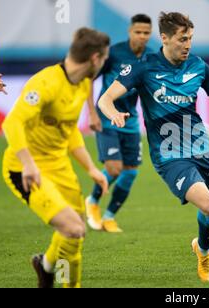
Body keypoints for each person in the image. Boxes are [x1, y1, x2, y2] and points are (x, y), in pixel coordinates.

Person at [98, 12, 209, 283]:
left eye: (190, 39)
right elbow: (105, 99)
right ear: (165, 38)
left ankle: (202, 250)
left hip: (200, 148)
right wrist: (112, 112)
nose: (187, 45)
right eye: (182, 39)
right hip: (169, 156)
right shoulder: (144, 66)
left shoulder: (197, 65)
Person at [1, 28, 110, 288]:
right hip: (26, 169)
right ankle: (53, 273)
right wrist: (28, 164)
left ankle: (46, 266)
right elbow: (12, 123)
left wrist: (91, 169)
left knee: (75, 235)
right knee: (73, 228)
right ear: (95, 58)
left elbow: (69, 129)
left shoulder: (83, 82)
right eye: (104, 59)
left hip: (59, 167)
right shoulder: (45, 83)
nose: (105, 64)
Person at [85, 14, 154, 233]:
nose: (142, 36)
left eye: (146, 33)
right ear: (129, 31)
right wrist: (92, 114)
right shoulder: (114, 53)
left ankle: (109, 217)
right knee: (114, 169)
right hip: (107, 115)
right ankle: (93, 201)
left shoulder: (152, 56)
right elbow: (88, 79)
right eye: (138, 32)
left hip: (130, 118)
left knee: (131, 171)